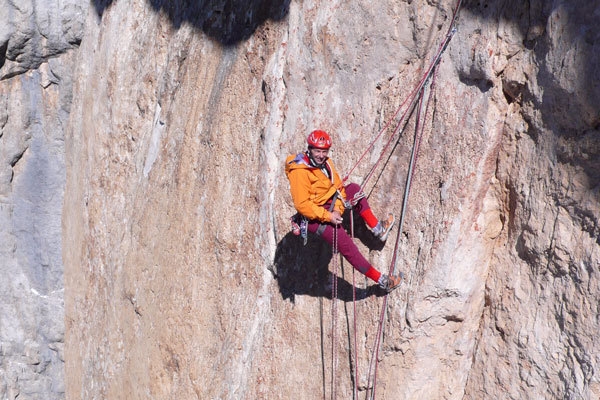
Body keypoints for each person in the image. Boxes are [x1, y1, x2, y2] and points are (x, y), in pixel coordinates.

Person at [285, 129, 402, 292]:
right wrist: (328, 216)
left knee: (353, 189)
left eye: (324, 151)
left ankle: (378, 230)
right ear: (309, 149)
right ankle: (382, 280)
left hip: (330, 204)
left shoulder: (326, 163)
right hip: (314, 217)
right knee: (348, 247)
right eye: (317, 151)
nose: (320, 155)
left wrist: (339, 209)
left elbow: (338, 187)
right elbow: (302, 204)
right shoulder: (300, 171)